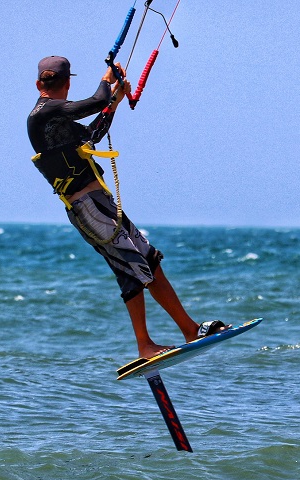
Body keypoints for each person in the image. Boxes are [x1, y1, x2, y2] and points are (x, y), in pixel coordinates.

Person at [27, 55, 227, 359]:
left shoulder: (54, 119)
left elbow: (92, 135)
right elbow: (94, 101)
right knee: (130, 271)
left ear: (40, 82)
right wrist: (108, 80)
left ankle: (189, 329)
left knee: (150, 261)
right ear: (67, 83)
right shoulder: (45, 112)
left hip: (100, 204)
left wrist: (116, 101)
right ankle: (145, 345)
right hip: (86, 207)